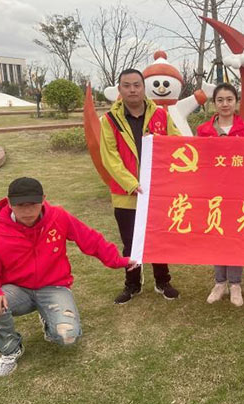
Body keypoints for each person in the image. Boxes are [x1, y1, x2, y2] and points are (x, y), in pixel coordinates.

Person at [0, 177, 138, 376]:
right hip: (17, 289)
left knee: (68, 337)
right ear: (9, 203)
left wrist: (118, 260)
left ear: (43, 199)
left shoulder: (58, 217)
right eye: (20, 205)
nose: (27, 211)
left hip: (53, 286)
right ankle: (10, 349)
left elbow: (90, 239)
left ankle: (49, 318)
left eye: (33, 204)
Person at [100, 68, 181, 304]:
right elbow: (110, 157)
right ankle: (132, 284)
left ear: (144, 88)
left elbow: (176, 143)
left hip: (157, 191)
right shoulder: (110, 120)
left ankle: (162, 281)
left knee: (158, 238)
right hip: (126, 194)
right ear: (120, 89)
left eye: (137, 85)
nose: (132, 90)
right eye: (127, 86)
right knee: (130, 242)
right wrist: (131, 184)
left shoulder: (160, 115)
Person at [196, 83, 244, 307]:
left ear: (236, 102)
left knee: (235, 237)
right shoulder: (203, 130)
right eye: (220, 100)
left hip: (239, 193)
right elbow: (197, 160)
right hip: (213, 192)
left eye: (229, 99)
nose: (225, 104)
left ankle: (235, 284)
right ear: (214, 103)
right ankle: (220, 282)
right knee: (217, 235)